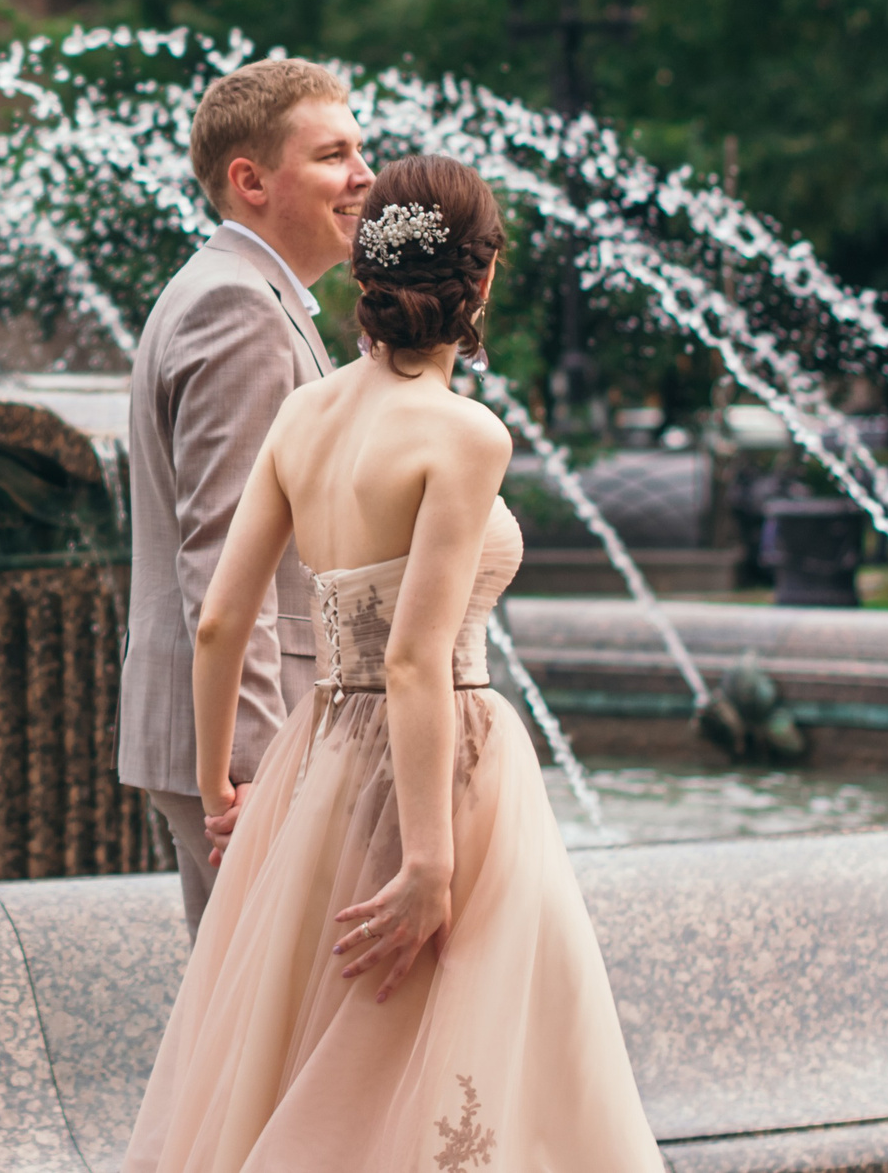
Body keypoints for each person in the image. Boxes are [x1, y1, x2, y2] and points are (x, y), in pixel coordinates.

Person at [124, 156, 660, 1173]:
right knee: (445, 1049)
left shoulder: (305, 413)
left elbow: (220, 620)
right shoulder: (463, 434)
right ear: (483, 278)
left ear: (367, 272)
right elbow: (415, 661)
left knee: (319, 1049)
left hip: (316, 762)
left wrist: (217, 789)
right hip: (443, 767)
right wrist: (427, 862)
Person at [121, 57, 373, 934]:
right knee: (290, 1025)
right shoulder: (239, 307)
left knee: (241, 1032)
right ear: (251, 180)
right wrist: (260, 767)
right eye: (335, 155)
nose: (364, 176)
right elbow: (224, 560)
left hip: (229, 728)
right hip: (249, 739)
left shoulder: (250, 295)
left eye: (361, 150)